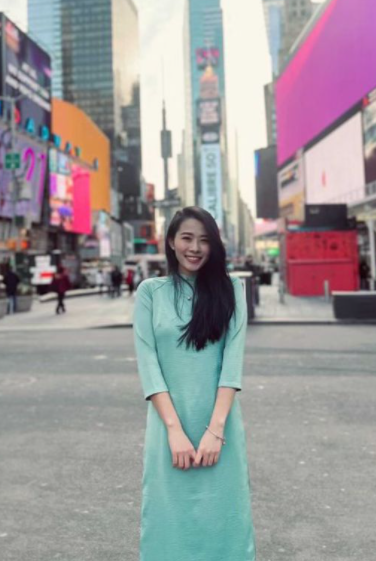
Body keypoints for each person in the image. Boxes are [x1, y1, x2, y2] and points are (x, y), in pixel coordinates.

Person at [133, 206, 256, 561]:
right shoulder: (149, 292)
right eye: (187, 238)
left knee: (225, 518)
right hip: (167, 424)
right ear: (171, 242)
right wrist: (174, 430)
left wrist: (215, 431)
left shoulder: (232, 289)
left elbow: (231, 367)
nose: (195, 247)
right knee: (167, 518)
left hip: (220, 425)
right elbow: (149, 365)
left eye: (204, 240)